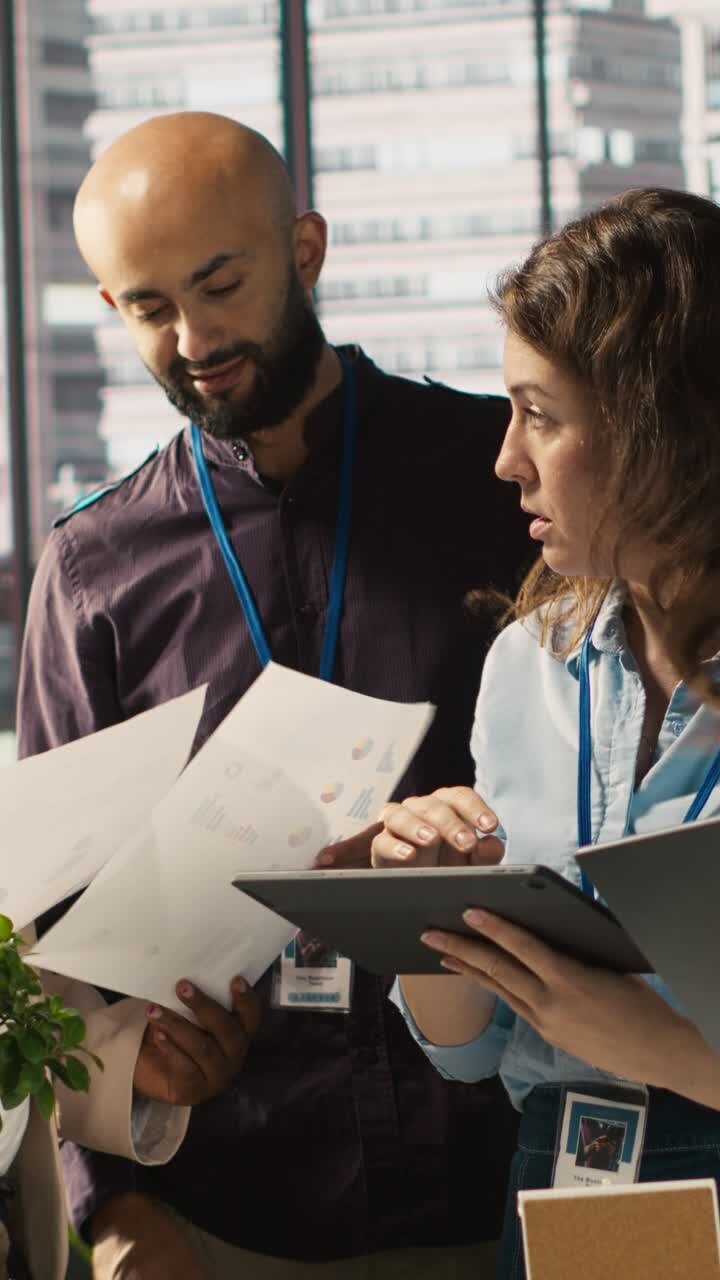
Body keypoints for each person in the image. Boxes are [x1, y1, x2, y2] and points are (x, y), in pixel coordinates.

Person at [17, 112, 532, 1279]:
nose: (192, 337)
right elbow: (47, 948)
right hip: (231, 1219)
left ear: (305, 249)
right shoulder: (94, 575)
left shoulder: (498, 482)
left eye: (218, 283)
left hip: (505, 1187)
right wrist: (115, 1208)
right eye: (148, 306)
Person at [370, 187, 720, 1279]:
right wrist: (431, 901)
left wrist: (651, 1041)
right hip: (566, 1180)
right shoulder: (529, 666)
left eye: (541, 412)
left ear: (662, 425)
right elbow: (468, 1049)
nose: (505, 458)